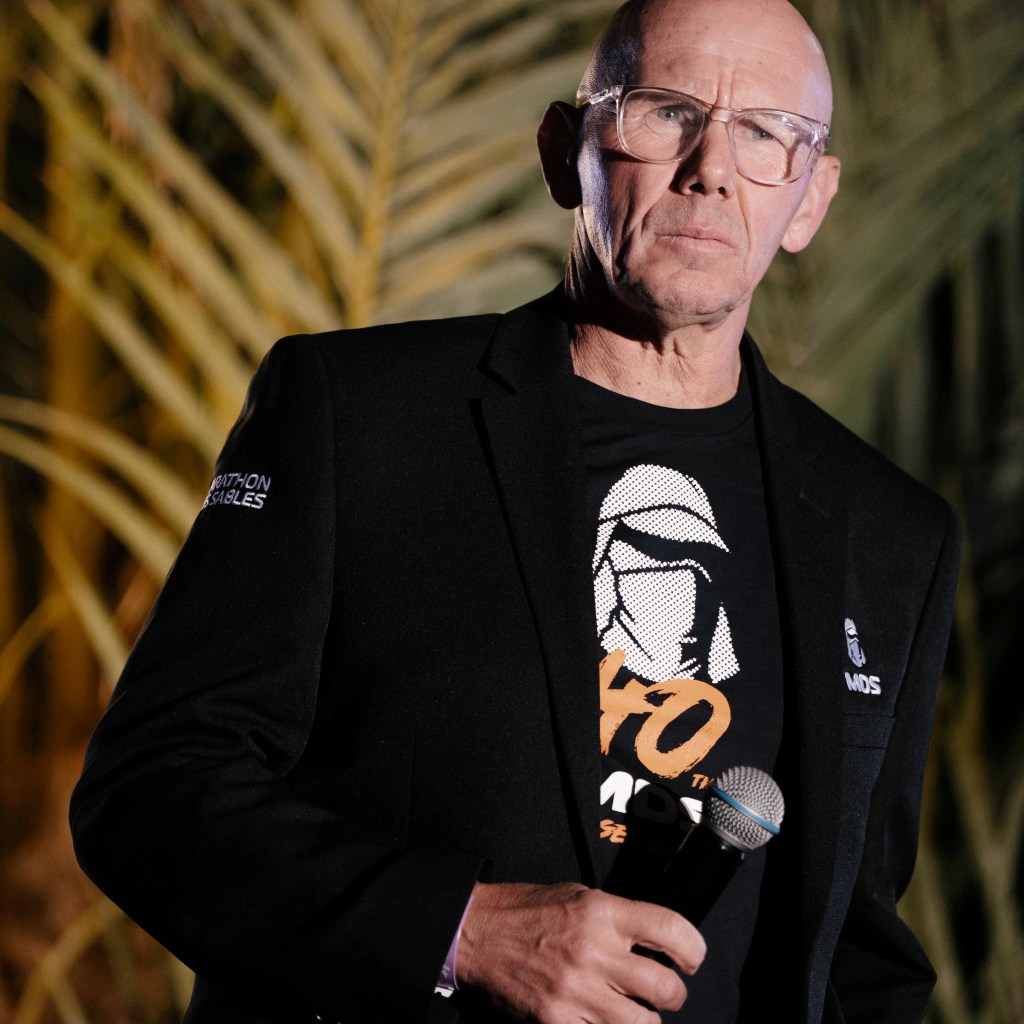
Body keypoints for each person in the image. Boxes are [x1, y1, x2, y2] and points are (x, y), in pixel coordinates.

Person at [69, 0, 961, 1022]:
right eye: (666, 111)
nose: (710, 168)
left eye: (766, 133)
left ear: (810, 199)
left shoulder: (888, 531)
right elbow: (152, 790)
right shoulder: (359, 417)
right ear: (563, 151)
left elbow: (860, 951)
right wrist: (459, 930)